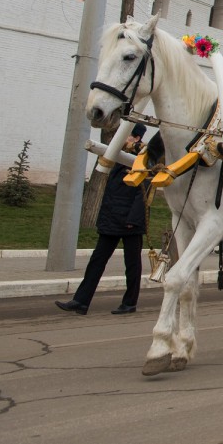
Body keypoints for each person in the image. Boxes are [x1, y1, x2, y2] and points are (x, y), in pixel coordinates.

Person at [55, 124, 150, 315]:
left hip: (130, 222)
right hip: (112, 217)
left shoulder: (143, 158)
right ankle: (81, 301)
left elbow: (143, 192)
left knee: (132, 264)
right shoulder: (118, 153)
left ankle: (130, 303)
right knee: (97, 260)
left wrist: (133, 219)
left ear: (137, 138)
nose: (121, 137)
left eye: (127, 135)